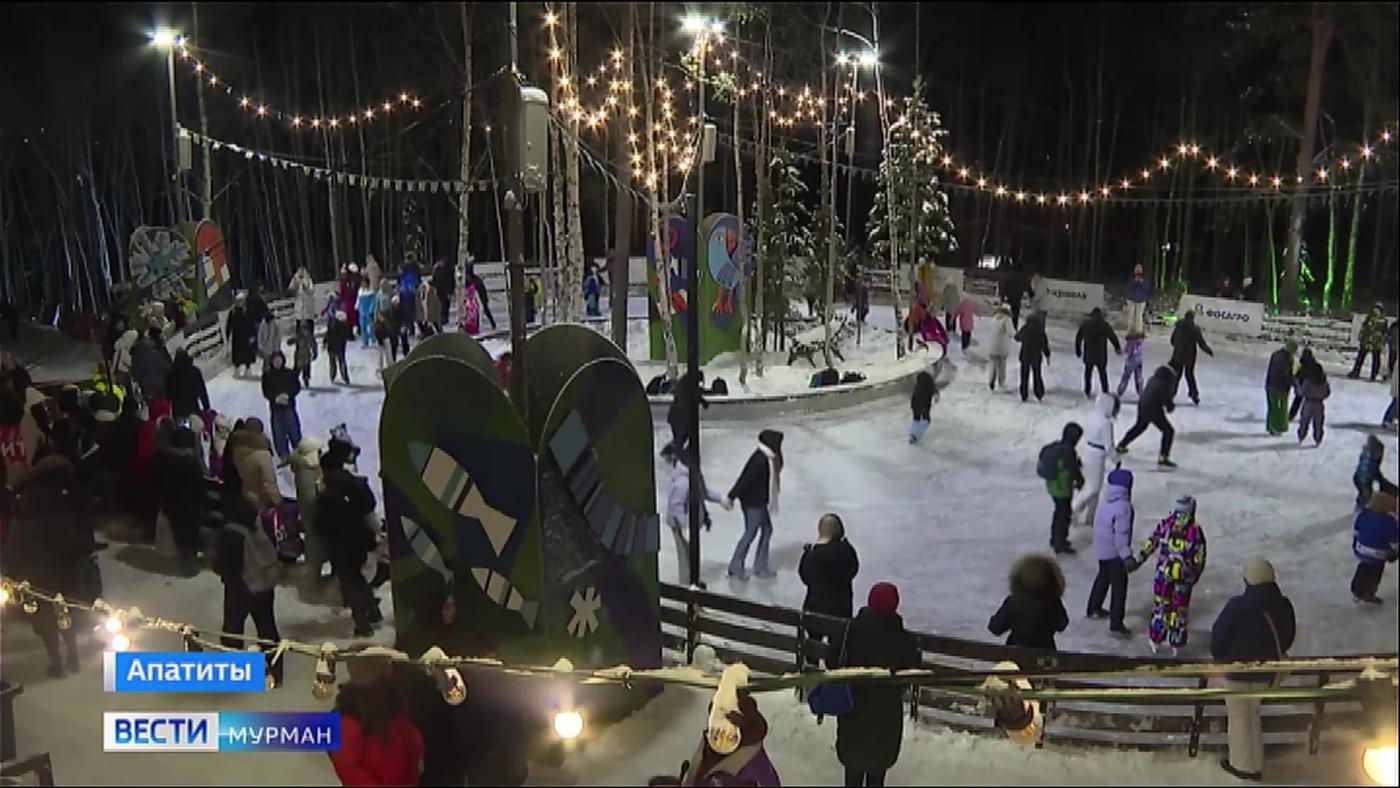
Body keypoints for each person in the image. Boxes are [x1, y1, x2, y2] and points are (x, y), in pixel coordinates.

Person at [6, 455, 98, 677]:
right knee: (65, 613)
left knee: (45, 620)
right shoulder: (61, 508)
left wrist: (13, 571)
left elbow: (16, 544)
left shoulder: (25, 512)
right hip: (65, 572)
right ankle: (73, 658)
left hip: (37, 575)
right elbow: (75, 540)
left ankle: (57, 664)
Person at [1209, 559, 1296, 781]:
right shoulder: (1283, 605)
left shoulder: (1237, 606)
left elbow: (1218, 640)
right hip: (1266, 675)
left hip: (1236, 674)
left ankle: (1244, 766)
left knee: (1239, 718)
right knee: (1252, 715)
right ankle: (1255, 762)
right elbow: (1287, 638)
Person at [831, 582, 919, 787]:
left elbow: (832, 660)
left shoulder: (849, 631)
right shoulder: (904, 639)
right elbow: (912, 674)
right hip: (886, 715)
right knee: (877, 772)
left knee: (852, 769)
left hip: (853, 707)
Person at [213, 493, 284, 687]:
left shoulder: (231, 532)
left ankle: (234, 672)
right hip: (264, 584)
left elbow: (223, 565)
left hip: (240, 587)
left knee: (233, 629)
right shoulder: (260, 524)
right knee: (267, 628)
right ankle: (275, 672)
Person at [330, 650, 424, 787]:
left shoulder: (391, 698)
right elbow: (349, 770)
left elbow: (408, 732)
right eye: (385, 667)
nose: (390, 671)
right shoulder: (350, 715)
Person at [319, 440, 381, 636]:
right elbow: (368, 508)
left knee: (350, 580)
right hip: (360, 538)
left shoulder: (329, 494)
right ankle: (373, 611)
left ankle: (363, 624)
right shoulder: (354, 484)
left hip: (341, 542)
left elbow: (322, 523)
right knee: (357, 576)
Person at [1135, 495, 1208, 655]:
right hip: (1182, 577)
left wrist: (1140, 558)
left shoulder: (1167, 524)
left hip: (1165, 574)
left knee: (1161, 607)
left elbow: (1151, 542)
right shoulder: (1194, 530)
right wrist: (1194, 574)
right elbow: (1199, 556)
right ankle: (1174, 641)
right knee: (1177, 610)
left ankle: (1157, 637)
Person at [663, 442, 729, 588]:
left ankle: (693, 581)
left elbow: (703, 493)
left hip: (692, 523)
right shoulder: (683, 481)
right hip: (680, 524)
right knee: (685, 557)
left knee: (693, 554)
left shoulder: (695, 474)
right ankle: (686, 586)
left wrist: (720, 499)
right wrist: (685, 527)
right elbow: (676, 506)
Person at [799, 513, 860, 665]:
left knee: (813, 643)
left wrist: (808, 552)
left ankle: (812, 670)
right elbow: (853, 570)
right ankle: (833, 672)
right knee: (837, 647)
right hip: (841, 610)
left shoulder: (812, 554)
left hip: (814, 610)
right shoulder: (846, 551)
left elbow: (805, 577)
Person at [726, 429, 783, 580]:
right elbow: (745, 480)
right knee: (750, 533)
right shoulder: (760, 460)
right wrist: (731, 496)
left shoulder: (768, 458)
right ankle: (736, 567)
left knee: (766, 530)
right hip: (752, 503)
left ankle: (760, 567)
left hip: (759, 502)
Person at [1087, 469, 1135, 637]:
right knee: (1119, 588)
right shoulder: (1124, 507)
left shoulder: (1104, 502)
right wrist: (1126, 556)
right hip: (1115, 554)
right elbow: (1121, 535)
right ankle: (1116, 623)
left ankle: (1093, 607)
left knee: (1103, 577)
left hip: (1102, 550)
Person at [988, 554, 1069, 650]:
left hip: (1015, 654)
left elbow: (995, 628)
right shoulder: (1053, 602)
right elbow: (1062, 624)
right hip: (1045, 654)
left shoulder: (1013, 602)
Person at [159, 427, 206, 577]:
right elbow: (199, 486)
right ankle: (190, 563)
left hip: (172, 504)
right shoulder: (191, 462)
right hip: (190, 505)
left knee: (179, 534)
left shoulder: (166, 460)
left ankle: (184, 560)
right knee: (190, 534)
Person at [1116, 365, 1179, 468]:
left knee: (1140, 426)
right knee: (1168, 431)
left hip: (1143, 405)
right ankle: (1163, 457)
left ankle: (1121, 445)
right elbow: (1166, 398)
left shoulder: (1153, 379)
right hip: (1153, 408)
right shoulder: (1164, 383)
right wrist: (1170, 407)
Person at [1073, 393, 1119, 527]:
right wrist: (1116, 459)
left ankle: (1091, 518)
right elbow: (1109, 445)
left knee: (1093, 487)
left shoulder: (1091, 416)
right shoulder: (1105, 423)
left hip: (1087, 451)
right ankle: (1073, 509)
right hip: (1097, 456)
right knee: (1093, 488)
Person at [1039, 423, 1084, 554]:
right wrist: (1080, 482)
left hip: (1052, 486)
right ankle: (1060, 542)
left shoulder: (1057, 447)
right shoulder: (1068, 451)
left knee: (1058, 512)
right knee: (1064, 515)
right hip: (1062, 488)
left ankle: (1054, 539)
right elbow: (1073, 470)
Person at [1351, 491, 1399, 604]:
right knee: (1375, 572)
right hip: (1379, 554)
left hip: (1361, 549)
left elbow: (1357, 531)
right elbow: (1394, 541)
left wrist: (1356, 544)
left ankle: (1357, 587)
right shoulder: (1390, 521)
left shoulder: (1363, 514)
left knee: (1364, 567)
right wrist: (1395, 553)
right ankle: (1368, 591)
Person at [229, 416, 281, 513]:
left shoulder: (237, 449)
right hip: (262, 500)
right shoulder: (263, 455)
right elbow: (269, 482)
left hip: (246, 494)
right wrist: (277, 500)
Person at [261, 351, 303, 462]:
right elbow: (266, 391)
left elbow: (296, 387)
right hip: (275, 408)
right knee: (278, 432)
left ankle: (298, 450)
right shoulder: (267, 376)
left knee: (293, 429)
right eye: (275, 361)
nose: (277, 363)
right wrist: (275, 398)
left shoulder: (289, 373)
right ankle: (283, 455)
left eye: (279, 360)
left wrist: (288, 395)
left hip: (289, 405)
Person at [1075, 307, 1122, 399]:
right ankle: (1105, 390)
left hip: (1089, 353)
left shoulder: (1086, 325)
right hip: (1101, 354)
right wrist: (1117, 347)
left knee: (1088, 373)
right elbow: (1112, 337)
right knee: (1102, 373)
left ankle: (1087, 390)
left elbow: (1079, 338)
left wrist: (1078, 350)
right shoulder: (1104, 325)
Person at [1168, 310, 1213, 405]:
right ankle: (1194, 394)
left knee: (1176, 376)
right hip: (1189, 357)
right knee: (1189, 376)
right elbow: (1201, 343)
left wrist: (1178, 347)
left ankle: (1170, 394)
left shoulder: (1178, 327)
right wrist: (1209, 351)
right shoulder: (1195, 330)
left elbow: (1172, 340)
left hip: (1178, 356)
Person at [1293, 349, 1330, 446]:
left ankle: (1301, 437)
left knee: (1304, 421)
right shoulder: (1323, 380)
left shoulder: (1308, 380)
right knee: (1318, 423)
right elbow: (1327, 392)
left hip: (1308, 402)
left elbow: (1301, 392)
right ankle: (1318, 439)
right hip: (1319, 403)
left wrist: (1297, 385)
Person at [667, 372, 710, 454]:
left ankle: (672, 455)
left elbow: (694, 394)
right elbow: (693, 395)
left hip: (676, 415)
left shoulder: (684, 383)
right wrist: (702, 401)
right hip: (680, 416)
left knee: (680, 439)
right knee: (682, 438)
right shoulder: (687, 385)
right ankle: (674, 455)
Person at [165, 348, 210, 424]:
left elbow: (168, 396)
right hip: (193, 410)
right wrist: (207, 408)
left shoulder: (170, 375)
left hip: (178, 412)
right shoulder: (194, 371)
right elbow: (202, 391)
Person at [1015, 312, 1051, 403]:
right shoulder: (1040, 331)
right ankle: (1039, 393)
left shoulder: (1025, 329)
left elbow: (1017, 337)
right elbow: (1044, 344)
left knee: (1024, 376)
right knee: (1037, 375)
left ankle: (1024, 394)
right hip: (1036, 356)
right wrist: (1047, 354)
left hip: (1025, 355)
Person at [1354, 435, 1397, 511]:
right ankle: (1362, 509)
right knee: (1366, 494)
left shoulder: (1366, 454)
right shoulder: (1373, 459)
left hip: (1358, 476)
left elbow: (1375, 472)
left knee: (1364, 492)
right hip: (1364, 478)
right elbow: (1374, 472)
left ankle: (1361, 505)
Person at [130, 327, 172, 404]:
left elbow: (135, 374)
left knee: (153, 407)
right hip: (160, 385)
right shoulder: (154, 354)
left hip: (147, 389)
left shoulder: (134, 358)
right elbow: (166, 368)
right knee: (164, 404)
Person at [1264, 340, 1297, 436]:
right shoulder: (1284, 358)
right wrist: (1291, 382)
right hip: (1278, 386)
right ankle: (1276, 427)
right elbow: (1284, 374)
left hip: (1271, 385)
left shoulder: (1278, 355)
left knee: (1274, 407)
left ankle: (1273, 426)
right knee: (1278, 408)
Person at [1350, 303, 1388, 381]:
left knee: (1376, 359)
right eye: (1375, 309)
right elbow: (1364, 328)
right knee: (1360, 357)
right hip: (1366, 341)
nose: (1375, 311)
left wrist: (1382, 341)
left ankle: (1373, 374)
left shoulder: (1383, 320)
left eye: (1377, 309)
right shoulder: (1369, 318)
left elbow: (1384, 332)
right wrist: (1361, 336)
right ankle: (1356, 371)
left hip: (1376, 342)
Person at [226, 293, 258, 377]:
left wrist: (253, 334)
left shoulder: (247, 310)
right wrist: (228, 335)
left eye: (242, 301)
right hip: (237, 336)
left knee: (248, 353)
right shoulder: (233, 312)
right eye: (238, 301)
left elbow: (252, 323)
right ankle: (237, 370)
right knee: (237, 354)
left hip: (246, 336)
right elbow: (229, 324)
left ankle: (248, 369)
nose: (240, 302)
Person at [985, 302, 1014, 392]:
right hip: (1002, 346)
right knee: (1002, 365)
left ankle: (991, 380)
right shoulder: (1007, 319)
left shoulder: (995, 318)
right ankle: (1001, 381)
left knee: (993, 364)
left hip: (992, 345)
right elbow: (1011, 332)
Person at [908, 370, 938, 444]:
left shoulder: (918, 387)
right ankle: (915, 435)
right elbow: (934, 392)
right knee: (926, 420)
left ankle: (913, 434)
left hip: (916, 405)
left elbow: (913, 398)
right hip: (924, 406)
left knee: (916, 419)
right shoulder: (929, 387)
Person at [999, 263, 1033, 328]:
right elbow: (1028, 288)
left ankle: (1005, 327)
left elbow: (1004, 287)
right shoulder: (1024, 277)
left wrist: (1002, 297)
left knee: (1006, 314)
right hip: (1017, 298)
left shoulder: (1009, 276)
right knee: (1015, 314)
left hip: (1008, 298)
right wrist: (1031, 295)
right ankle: (1014, 328)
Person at [325, 310, 353, 385]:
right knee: (342, 362)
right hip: (340, 347)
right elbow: (347, 336)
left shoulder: (331, 324)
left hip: (331, 347)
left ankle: (332, 376)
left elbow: (327, 335)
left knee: (332, 362)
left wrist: (325, 343)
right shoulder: (343, 326)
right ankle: (345, 378)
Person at [289, 320, 317, 388]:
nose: (304, 330)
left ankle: (306, 379)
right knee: (297, 369)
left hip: (306, 354)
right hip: (299, 355)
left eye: (305, 328)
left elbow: (314, 345)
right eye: (302, 328)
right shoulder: (299, 336)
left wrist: (315, 352)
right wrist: (291, 341)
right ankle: (294, 381)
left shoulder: (309, 337)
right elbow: (291, 341)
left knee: (306, 368)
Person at [1116, 331, 1145, 398]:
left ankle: (1120, 390)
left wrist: (1121, 352)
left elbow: (1129, 351)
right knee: (1139, 377)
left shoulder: (1130, 343)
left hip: (1131, 362)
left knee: (1126, 377)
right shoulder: (1139, 342)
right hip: (1139, 360)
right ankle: (1140, 390)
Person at [431, 259, 456, 327]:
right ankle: (444, 317)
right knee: (445, 304)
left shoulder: (438, 269)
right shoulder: (449, 270)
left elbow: (434, 280)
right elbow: (452, 280)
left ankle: (443, 317)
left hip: (440, 289)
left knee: (442, 304)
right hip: (445, 289)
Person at [1126, 264, 1150, 335]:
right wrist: (1134, 282)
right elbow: (1128, 288)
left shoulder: (1145, 279)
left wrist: (1141, 282)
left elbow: (1147, 289)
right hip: (1132, 299)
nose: (1138, 270)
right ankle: (1130, 331)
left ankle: (1138, 332)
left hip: (1141, 299)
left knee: (1139, 316)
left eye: (1139, 268)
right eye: (1136, 268)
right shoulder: (1131, 278)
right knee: (1131, 316)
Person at [356, 279, 378, 349]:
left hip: (369, 311)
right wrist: (356, 306)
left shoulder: (371, 291)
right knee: (363, 327)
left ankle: (373, 340)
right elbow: (358, 299)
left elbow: (373, 301)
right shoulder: (360, 291)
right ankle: (365, 342)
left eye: (364, 283)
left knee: (371, 327)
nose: (363, 284)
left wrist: (371, 310)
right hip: (361, 311)